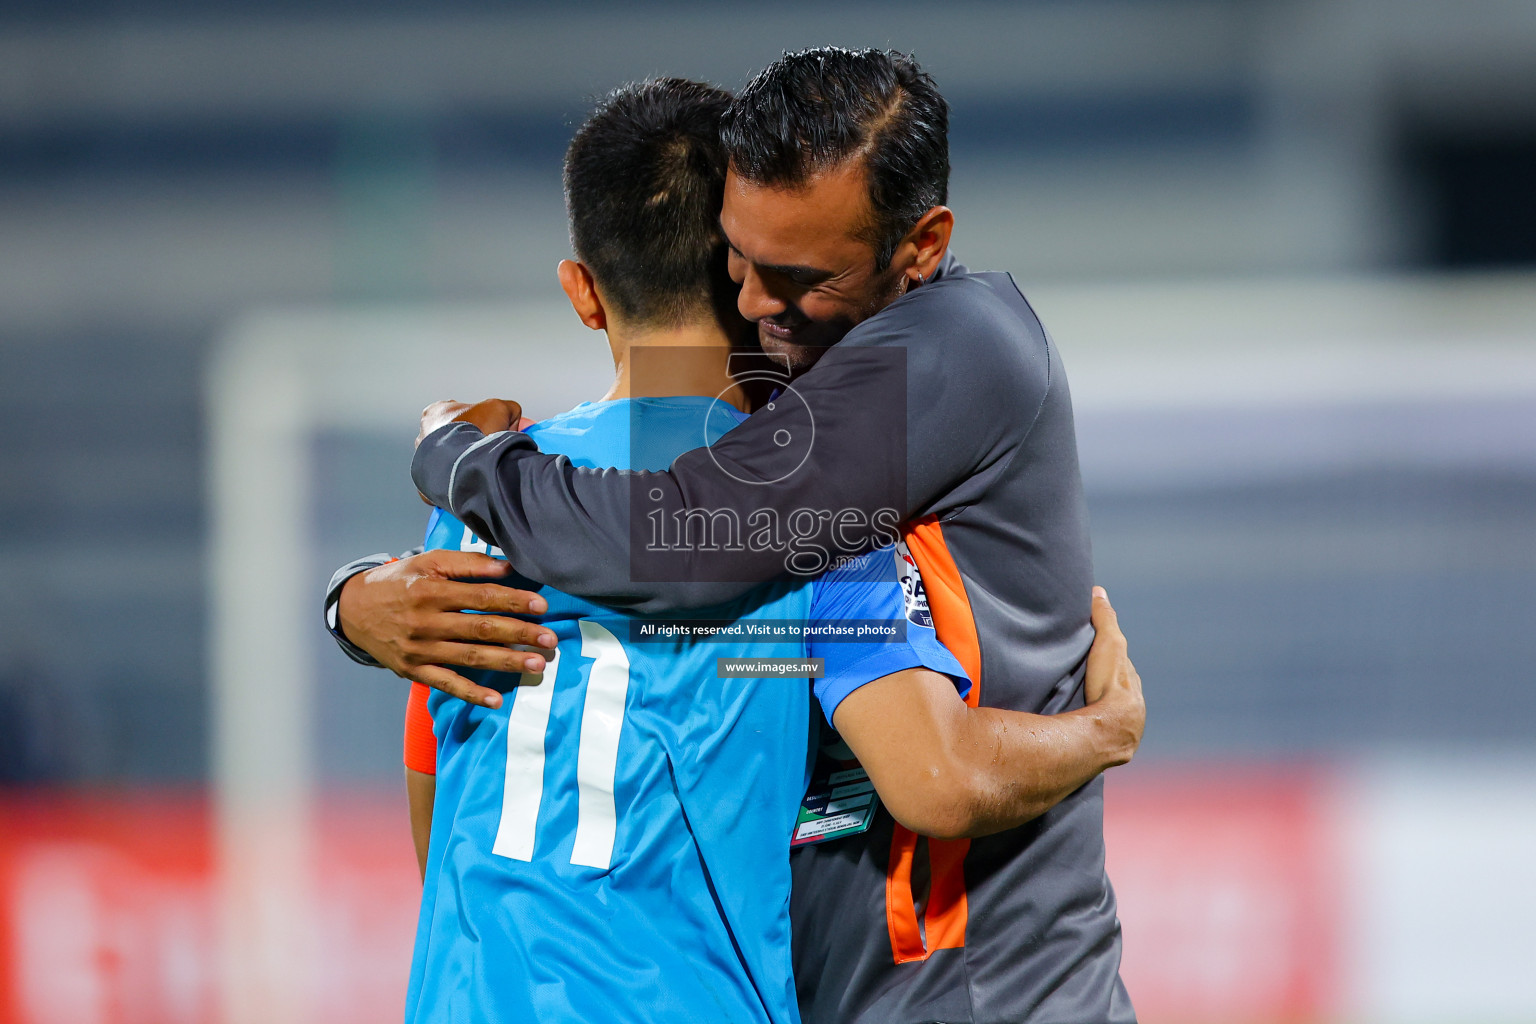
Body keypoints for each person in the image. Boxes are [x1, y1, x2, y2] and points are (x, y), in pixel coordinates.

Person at [339, 78, 1144, 1024]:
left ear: (584, 294)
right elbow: (934, 773)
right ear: (727, 254)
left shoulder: (491, 519)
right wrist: (1103, 734)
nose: (766, 299)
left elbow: (436, 817)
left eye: (799, 275)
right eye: (751, 266)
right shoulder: (829, 539)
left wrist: (398, 537)